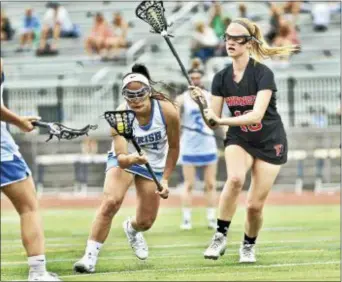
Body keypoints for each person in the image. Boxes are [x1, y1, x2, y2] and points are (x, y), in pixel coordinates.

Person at [189, 18, 298, 263]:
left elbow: (256, 114)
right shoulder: (220, 78)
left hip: (270, 139)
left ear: (249, 43)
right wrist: (203, 106)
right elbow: (213, 120)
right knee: (236, 178)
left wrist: (220, 121)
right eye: (227, 37)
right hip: (240, 137)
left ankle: (248, 246)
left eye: (237, 38)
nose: (230, 42)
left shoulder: (263, 74)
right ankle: (220, 235)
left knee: (253, 206)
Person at [73, 64, 180, 273]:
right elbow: (121, 158)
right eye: (130, 95)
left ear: (149, 92)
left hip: (154, 164)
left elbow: (175, 147)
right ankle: (89, 257)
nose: (136, 99)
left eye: (140, 93)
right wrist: (132, 158)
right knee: (111, 202)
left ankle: (132, 228)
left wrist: (165, 179)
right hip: (127, 159)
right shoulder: (121, 116)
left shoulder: (167, 111)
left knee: (146, 221)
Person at [0, 58, 61, 281]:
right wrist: (18, 122)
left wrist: (16, 119)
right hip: (2, 153)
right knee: (28, 207)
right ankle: (37, 273)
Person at [175, 66, 218, 230]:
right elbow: (175, 119)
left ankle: (211, 218)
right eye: (192, 78)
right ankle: (186, 219)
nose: (195, 80)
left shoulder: (210, 97)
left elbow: (216, 119)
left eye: (197, 78)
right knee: (189, 184)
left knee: (210, 184)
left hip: (207, 143)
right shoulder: (181, 99)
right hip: (189, 144)